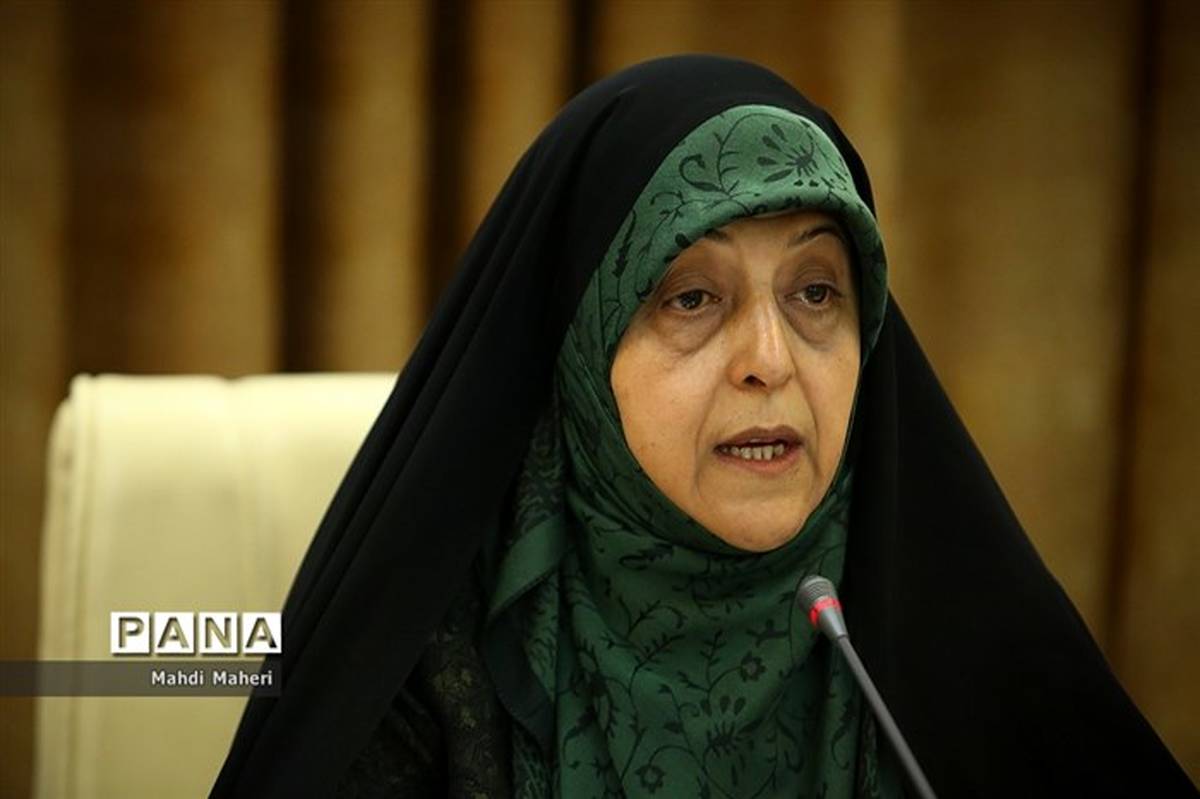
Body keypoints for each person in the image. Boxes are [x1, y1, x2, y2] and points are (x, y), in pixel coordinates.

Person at [212, 56, 1193, 798]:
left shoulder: (965, 640)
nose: (770, 358)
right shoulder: (424, 663)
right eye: (691, 297)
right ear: (581, 351)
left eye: (817, 291)